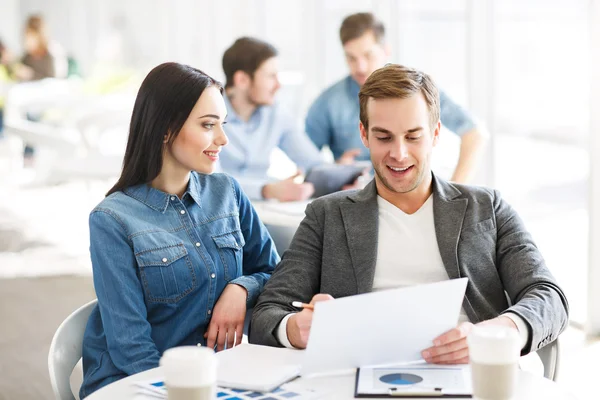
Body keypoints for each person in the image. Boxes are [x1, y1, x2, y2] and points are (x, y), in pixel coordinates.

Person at [250, 64, 568, 365]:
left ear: (436, 134)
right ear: (364, 135)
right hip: (357, 375)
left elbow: (548, 297)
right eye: (384, 137)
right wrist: (295, 327)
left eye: (413, 136)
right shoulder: (326, 215)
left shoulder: (487, 207)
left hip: (470, 371)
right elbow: (267, 313)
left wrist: (492, 333)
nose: (399, 154)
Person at [80, 62, 279, 398]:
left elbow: (275, 271)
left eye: (223, 124)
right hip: (137, 384)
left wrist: (241, 288)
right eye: (207, 125)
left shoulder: (227, 192)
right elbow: (132, 348)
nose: (223, 138)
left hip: (214, 379)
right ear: (166, 128)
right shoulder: (112, 220)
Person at [305, 12, 486, 183]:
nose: (360, 67)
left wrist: (454, 191)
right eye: (351, 58)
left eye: (368, 56)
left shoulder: (420, 91)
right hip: (356, 203)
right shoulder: (328, 103)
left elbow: (475, 133)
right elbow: (307, 166)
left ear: (386, 51)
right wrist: (334, 172)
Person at [219, 37, 361, 202]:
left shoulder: (276, 113)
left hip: (261, 210)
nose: (278, 85)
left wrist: (337, 173)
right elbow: (208, 180)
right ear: (242, 80)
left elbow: (312, 163)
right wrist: (266, 190)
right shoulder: (208, 115)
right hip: (219, 210)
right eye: (271, 76)